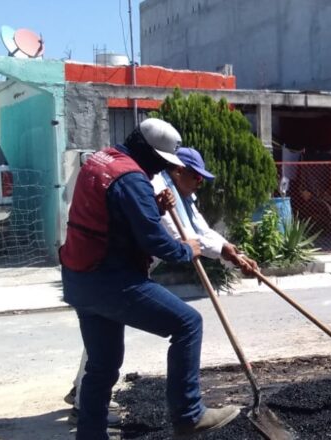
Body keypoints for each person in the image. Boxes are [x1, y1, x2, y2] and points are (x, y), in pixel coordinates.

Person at [59, 118, 240, 440]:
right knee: (187, 324)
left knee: (102, 365)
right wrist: (188, 250)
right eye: (160, 162)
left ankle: (90, 435)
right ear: (147, 150)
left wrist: (152, 208)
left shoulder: (104, 161)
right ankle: (189, 415)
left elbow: (114, 217)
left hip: (80, 278)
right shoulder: (132, 178)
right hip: (110, 279)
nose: (160, 170)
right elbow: (156, 243)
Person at [151, 146, 259, 275]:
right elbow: (179, 236)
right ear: (179, 171)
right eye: (197, 177)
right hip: (129, 268)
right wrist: (221, 250)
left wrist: (237, 255)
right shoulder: (159, 189)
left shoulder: (185, 198)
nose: (200, 183)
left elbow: (203, 231)